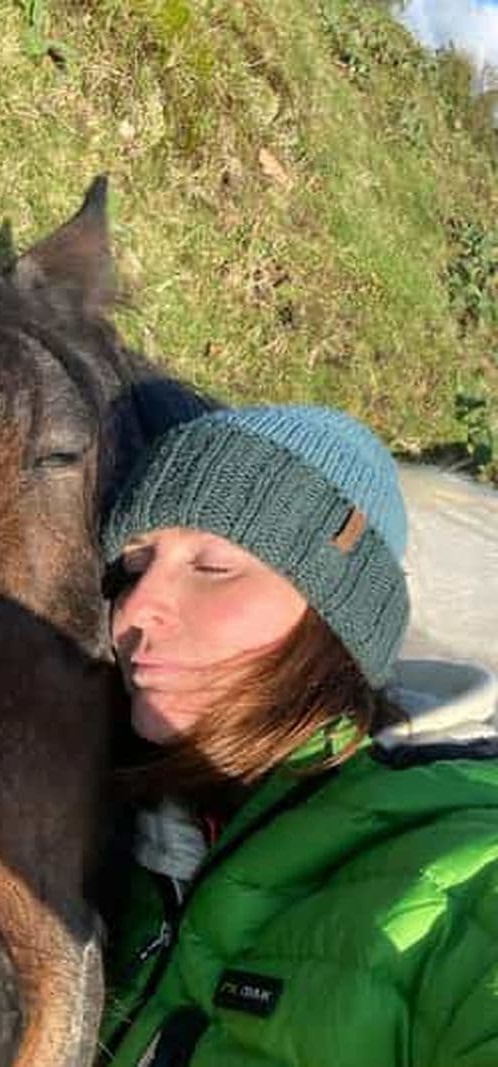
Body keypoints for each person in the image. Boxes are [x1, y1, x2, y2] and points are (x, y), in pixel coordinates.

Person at [97, 405, 498, 1067]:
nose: (134, 610)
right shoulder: (146, 848)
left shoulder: (470, 875)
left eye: (213, 566)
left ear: (339, 613)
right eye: (133, 566)